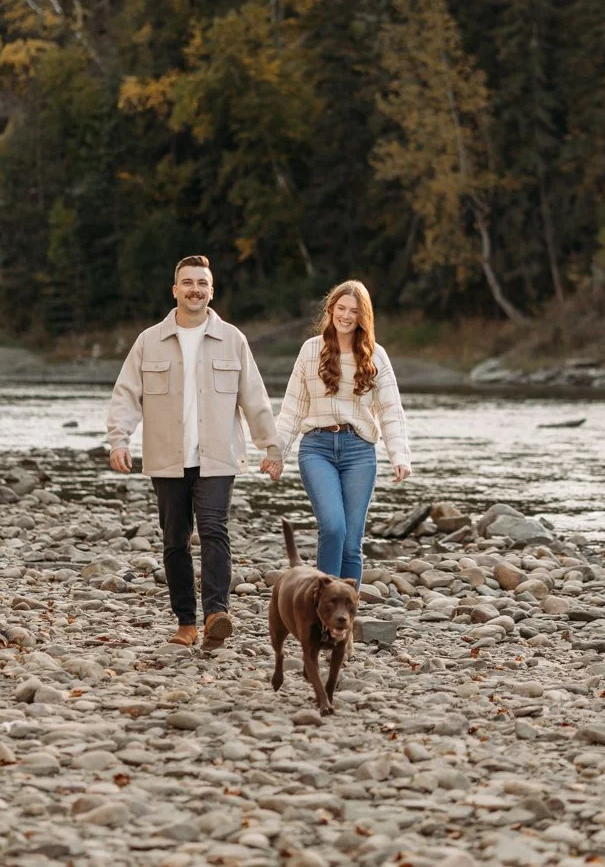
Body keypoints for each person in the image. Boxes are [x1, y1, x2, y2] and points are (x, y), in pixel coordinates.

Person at [106, 255, 282, 648]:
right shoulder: (149, 340)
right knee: (175, 540)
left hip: (217, 455)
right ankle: (186, 621)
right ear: (175, 290)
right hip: (167, 457)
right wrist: (120, 439)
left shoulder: (232, 339)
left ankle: (217, 613)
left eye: (202, 283)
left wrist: (271, 445)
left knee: (214, 530)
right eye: (188, 282)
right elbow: (126, 394)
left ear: (212, 291)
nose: (195, 289)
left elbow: (253, 396)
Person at [263, 280, 410, 582]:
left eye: (354, 311)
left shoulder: (375, 355)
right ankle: (321, 608)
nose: (346, 316)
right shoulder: (310, 350)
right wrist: (276, 454)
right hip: (317, 448)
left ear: (362, 316)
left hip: (359, 451)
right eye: (341, 308)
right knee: (332, 527)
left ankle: (345, 619)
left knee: (352, 542)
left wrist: (399, 455)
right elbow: (292, 408)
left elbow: (390, 410)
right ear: (330, 310)